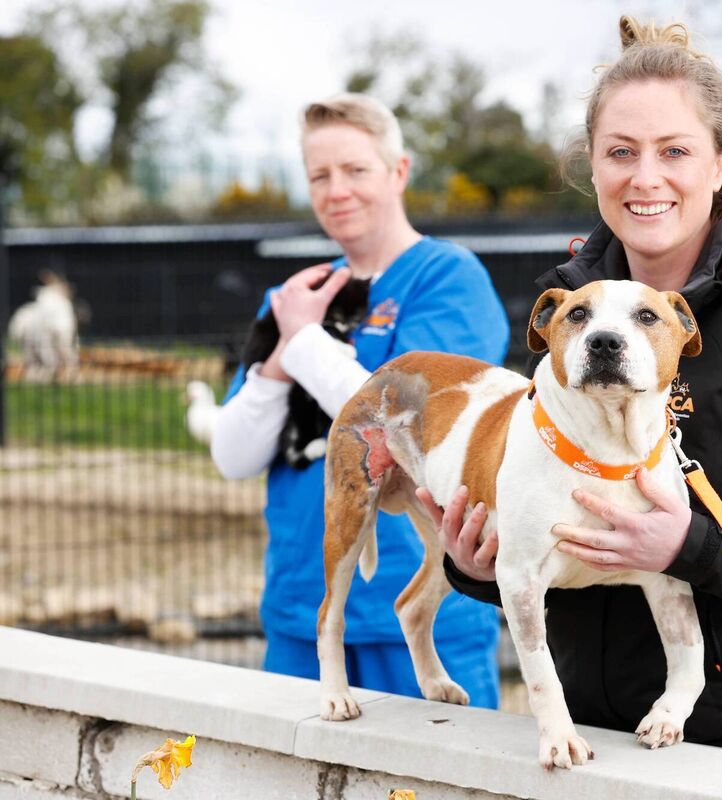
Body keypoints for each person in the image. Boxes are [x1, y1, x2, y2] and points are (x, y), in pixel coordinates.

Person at [419, 17, 722, 766]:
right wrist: (476, 565)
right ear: (591, 164)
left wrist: (690, 546)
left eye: (674, 151)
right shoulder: (569, 322)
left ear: (721, 162)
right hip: (589, 735)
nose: (645, 178)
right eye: (621, 152)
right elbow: (549, 536)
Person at [210, 93, 510, 708]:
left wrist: (301, 339)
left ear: (398, 171)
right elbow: (233, 456)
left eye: (355, 170)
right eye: (319, 175)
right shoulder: (298, 295)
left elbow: (406, 425)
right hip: (301, 609)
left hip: (428, 620)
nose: (337, 190)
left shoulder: (447, 278)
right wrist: (282, 352)